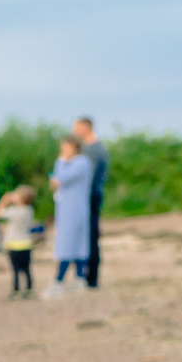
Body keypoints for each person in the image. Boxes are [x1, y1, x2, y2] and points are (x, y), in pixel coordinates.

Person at [47, 138, 94, 291]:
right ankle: (78, 278)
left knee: (70, 244)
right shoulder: (68, 162)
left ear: (74, 147)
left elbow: (61, 178)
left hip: (76, 208)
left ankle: (60, 281)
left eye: (65, 148)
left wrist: (60, 162)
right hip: (65, 208)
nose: (63, 151)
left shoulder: (81, 162)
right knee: (73, 242)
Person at [72, 118, 109, 289]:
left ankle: (90, 278)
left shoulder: (94, 149)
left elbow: (90, 179)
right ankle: (85, 276)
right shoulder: (91, 148)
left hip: (89, 197)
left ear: (86, 127)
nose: (73, 130)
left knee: (90, 236)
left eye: (76, 127)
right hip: (88, 197)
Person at [0, 185, 38, 297]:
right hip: (26, 243)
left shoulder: (13, 211)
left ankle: (16, 290)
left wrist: (5, 200)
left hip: (13, 244)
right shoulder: (29, 211)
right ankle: (29, 289)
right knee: (27, 269)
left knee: (15, 270)